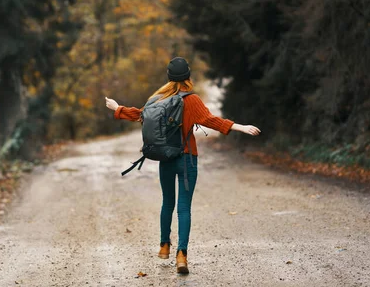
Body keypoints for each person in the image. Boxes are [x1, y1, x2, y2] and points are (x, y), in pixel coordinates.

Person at [104, 57, 260, 274]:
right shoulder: (192, 100)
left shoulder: (157, 99)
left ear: (169, 77)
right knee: (184, 207)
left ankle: (164, 246)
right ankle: (182, 256)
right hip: (187, 159)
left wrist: (117, 107)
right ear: (188, 76)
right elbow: (211, 120)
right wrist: (240, 127)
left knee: (167, 203)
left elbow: (140, 116)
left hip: (165, 158)